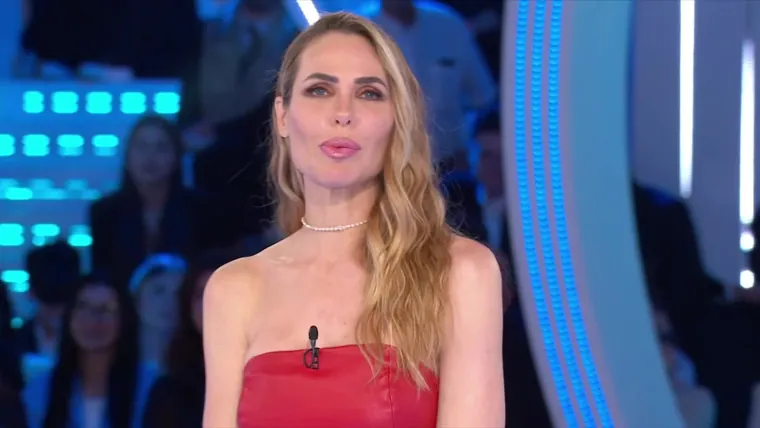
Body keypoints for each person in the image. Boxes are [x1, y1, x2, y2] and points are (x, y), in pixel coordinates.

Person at [202, 12, 504, 428]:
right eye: (320, 90)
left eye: (369, 94)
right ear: (283, 116)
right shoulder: (234, 288)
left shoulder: (459, 272)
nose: (343, 113)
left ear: (397, 119)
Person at [88, 115, 236, 289]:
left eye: (161, 148)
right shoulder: (104, 212)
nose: (150, 157)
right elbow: (103, 279)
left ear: (176, 158)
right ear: (127, 157)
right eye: (141, 147)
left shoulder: (202, 210)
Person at [22, 275, 157, 428]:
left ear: (124, 319)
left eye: (106, 309)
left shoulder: (151, 388)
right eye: (83, 307)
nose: (94, 320)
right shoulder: (40, 390)